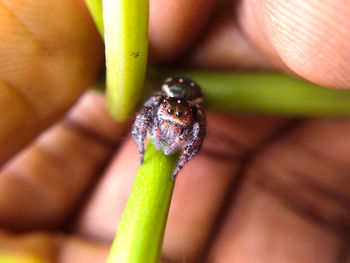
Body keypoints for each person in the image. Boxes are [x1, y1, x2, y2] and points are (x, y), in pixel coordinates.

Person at [0, 0, 349, 262]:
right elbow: (143, 117)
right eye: (171, 113)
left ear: (192, 112)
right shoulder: (156, 105)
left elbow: (198, 132)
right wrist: (142, 145)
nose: (177, 118)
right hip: (170, 87)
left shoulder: (193, 116)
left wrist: (181, 161)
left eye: (183, 115)